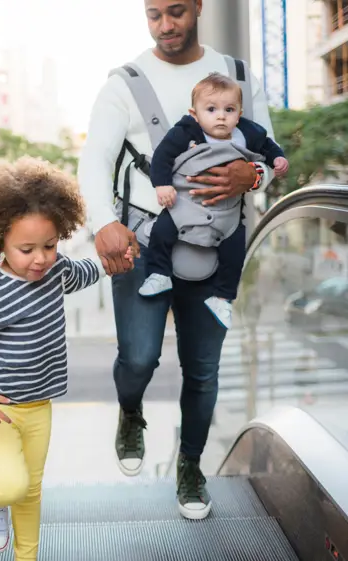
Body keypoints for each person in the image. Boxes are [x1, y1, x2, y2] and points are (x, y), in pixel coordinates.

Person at [77, 0, 278, 520]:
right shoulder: (125, 81)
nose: (165, 25)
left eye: (176, 12)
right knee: (139, 356)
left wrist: (253, 177)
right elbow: (93, 161)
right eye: (153, 14)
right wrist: (103, 223)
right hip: (145, 239)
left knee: (203, 369)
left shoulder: (236, 75)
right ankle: (130, 411)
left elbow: (269, 154)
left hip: (217, 239)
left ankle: (190, 469)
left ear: (198, 8)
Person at [0, 156, 128, 560]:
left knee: (31, 491)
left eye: (50, 245)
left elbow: (82, 274)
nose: (40, 258)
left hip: (40, 407)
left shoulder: (54, 271)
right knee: (10, 485)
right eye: (26, 249)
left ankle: (27, 556)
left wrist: (112, 265)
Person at [139, 72, 288, 329]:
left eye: (229, 109)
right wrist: (162, 185)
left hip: (226, 210)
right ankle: (159, 273)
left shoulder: (247, 134)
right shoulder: (185, 132)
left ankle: (223, 297)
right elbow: (162, 156)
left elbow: (268, 145)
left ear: (239, 114)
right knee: (162, 231)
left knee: (235, 247)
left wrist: (277, 159)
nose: (221, 116)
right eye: (211, 109)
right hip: (184, 202)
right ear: (195, 113)